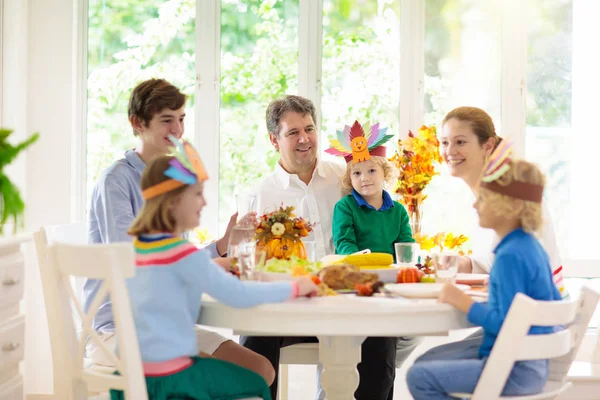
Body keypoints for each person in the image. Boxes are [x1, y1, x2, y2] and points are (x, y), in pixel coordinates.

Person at [85, 78, 275, 383]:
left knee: (260, 369)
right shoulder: (116, 181)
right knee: (230, 378)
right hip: (123, 330)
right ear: (137, 123)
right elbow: (132, 263)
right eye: (166, 120)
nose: (178, 130)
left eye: (181, 119)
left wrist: (222, 245)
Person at [109, 141, 317, 400]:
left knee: (250, 368)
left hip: (126, 380)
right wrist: (297, 287)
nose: (204, 202)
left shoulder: (139, 249)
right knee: (259, 382)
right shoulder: (183, 254)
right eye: (196, 194)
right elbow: (240, 296)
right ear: (172, 203)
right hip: (171, 382)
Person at [242, 96, 402, 400]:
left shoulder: (345, 179)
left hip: (348, 301)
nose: (304, 139)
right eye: (293, 133)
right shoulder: (260, 195)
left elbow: (381, 221)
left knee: (382, 334)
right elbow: (256, 261)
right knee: (254, 332)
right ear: (274, 140)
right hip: (290, 306)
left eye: (310, 129)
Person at [406, 152, 562, 399]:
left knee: (418, 376)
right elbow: (548, 302)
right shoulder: (529, 247)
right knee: (427, 360)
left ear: (509, 206)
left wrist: (462, 302)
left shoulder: (509, 256)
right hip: (532, 364)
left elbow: (506, 325)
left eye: (484, 197)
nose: (475, 204)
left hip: (512, 367)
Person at [439, 106, 566, 297]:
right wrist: (465, 264)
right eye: (444, 142)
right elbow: (496, 261)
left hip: (534, 316)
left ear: (487, 145)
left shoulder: (512, 196)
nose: (450, 151)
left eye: (460, 142)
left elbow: (523, 263)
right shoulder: (477, 199)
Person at [327, 120, 414, 256]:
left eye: (372, 171)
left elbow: (406, 245)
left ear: (385, 173)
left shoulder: (398, 211)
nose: (364, 178)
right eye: (357, 173)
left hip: (391, 273)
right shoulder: (345, 207)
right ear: (350, 178)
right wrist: (360, 264)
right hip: (356, 272)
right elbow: (344, 242)